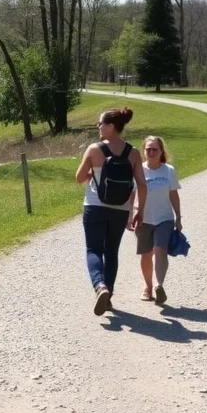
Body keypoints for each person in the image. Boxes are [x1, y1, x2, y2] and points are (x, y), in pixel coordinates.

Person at [76, 108, 148, 316]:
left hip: (95, 207)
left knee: (93, 249)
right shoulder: (133, 153)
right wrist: (139, 211)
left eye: (101, 124)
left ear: (111, 126)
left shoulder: (94, 150)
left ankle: (100, 286)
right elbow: (142, 185)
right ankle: (108, 297)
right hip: (120, 209)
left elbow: (79, 178)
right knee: (111, 252)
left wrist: (93, 171)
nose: (98, 127)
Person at [134, 136, 182, 306]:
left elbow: (173, 195)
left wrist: (178, 217)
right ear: (144, 151)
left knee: (160, 249)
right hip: (143, 218)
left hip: (164, 218)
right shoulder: (138, 170)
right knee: (146, 254)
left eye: (155, 149)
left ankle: (158, 285)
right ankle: (147, 287)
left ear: (161, 151)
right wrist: (130, 215)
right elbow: (131, 195)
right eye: (148, 149)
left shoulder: (168, 170)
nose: (151, 152)